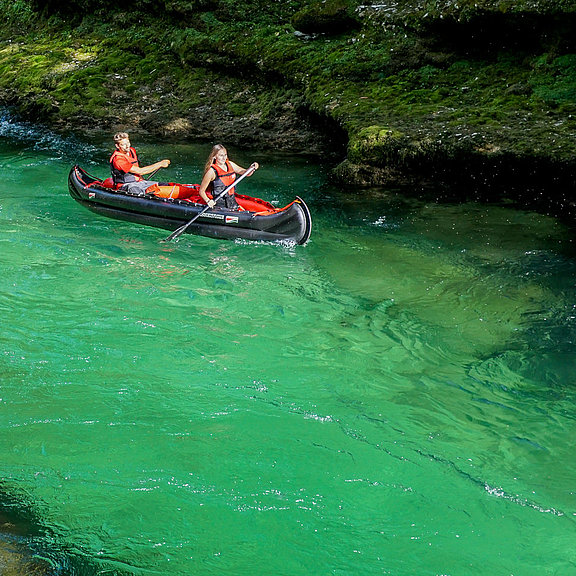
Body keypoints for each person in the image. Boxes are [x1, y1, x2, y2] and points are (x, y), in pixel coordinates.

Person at [198, 144, 259, 210]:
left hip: (232, 202)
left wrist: (252, 168)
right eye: (221, 155)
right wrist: (208, 201)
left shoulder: (230, 164)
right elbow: (201, 191)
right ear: (214, 156)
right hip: (219, 205)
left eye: (225, 155)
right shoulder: (211, 172)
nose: (224, 158)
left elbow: (245, 173)